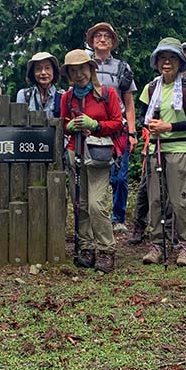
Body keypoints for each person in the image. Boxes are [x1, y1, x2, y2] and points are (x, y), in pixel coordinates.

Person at [127, 41, 186, 245]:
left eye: (172, 58)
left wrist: (168, 126)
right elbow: (143, 116)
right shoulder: (151, 88)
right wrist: (151, 126)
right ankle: (156, 244)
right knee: (155, 200)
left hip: (180, 148)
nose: (167, 62)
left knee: (179, 201)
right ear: (156, 62)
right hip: (156, 149)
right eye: (162, 58)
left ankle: (184, 244)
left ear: (180, 62)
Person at [60, 49, 124, 274]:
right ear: (68, 74)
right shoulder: (67, 97)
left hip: (98, 153)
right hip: (74, 151)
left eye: (82, 69)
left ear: (91, 69)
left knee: (96, 204)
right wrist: (68, 126)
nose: (79, 74)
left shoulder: (106, 93)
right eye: (73, 71)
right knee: (80, 203)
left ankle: (106, 249)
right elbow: (63, 123)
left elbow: (118, 122)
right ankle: (86, 247)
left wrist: (95, 125)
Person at [86, 22, 137, 234]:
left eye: (107, 36)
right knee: (92, 174)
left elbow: (129, 103)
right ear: (92, 41)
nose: (102, 39)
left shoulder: (122, 67)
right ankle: (94, 217)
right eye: (98, 35)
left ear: (113, 41)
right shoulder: (85, 65)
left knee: (119, 176)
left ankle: (118, 218)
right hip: (91, 128)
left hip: (118, 128)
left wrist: (132, 132)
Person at [16, 51, 62, 118]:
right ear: (32, 73)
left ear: (54, 71)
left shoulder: (63, 96)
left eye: (47, 68)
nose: (43, 72)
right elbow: (19, 120)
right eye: (38, 68)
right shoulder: (24, 95)